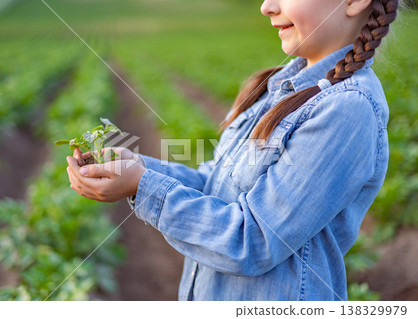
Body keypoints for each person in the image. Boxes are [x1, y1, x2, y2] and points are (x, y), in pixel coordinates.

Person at [66, 0, 398, 300]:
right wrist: (137, 169)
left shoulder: (346, 109)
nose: (266, 6)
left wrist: (141, 185)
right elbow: (215, 185)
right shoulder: (280, 86)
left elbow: (253, 241)